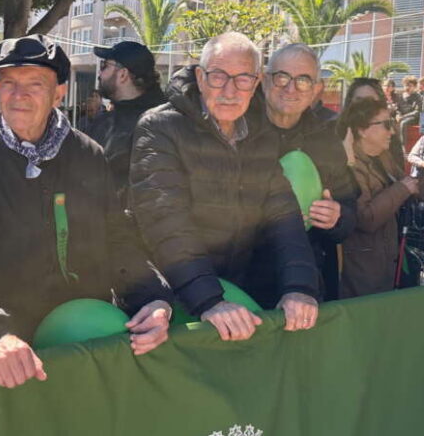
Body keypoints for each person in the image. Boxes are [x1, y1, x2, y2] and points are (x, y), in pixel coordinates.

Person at [0, 35, 171, 389]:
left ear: (59, 93)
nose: (18, 95)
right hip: (0, 356)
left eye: (34, 84)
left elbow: (117, 237)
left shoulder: (87, 153)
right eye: (8, 83)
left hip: (80, 345)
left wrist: (153, 298)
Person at [130, 32, 321, 341]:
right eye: (219, 77)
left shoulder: (261, 134)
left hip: (234, 296)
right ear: (201, 78)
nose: (230, 91)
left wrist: (300, 287)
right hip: (171, 300)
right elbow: (166, 223)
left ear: (256, 82)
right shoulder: (159, 127)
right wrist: (210, 300)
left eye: (243, 79)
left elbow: (283, 215)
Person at [257, 43, 358, 301]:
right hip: (242, 278)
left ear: (316, 89)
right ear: (264, 79)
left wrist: (336, 217)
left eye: (303, 80)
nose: (291, 88)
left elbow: (349, 211)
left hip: (304, 281)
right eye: (282, 77)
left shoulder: (326, 140)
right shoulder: (238, 129)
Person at [337, 98, 424, 297]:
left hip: (387, 261)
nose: (393, 131)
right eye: (387, 125)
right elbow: (365, 218)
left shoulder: (383, 157)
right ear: (362, 130)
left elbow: (415, 188)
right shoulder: (349, 164)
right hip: (361, 269)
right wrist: (400, 189)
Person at [88, 41, 167, 197]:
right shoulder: (104, 122)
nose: (99, 74)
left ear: (123, 74)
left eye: (105, 66)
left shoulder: (160, 124)